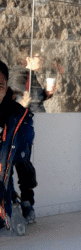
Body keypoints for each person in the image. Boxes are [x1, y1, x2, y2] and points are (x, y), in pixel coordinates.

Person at [0, 59, 37, 234]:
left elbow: (22, 147)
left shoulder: (18, 115)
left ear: (6, 88)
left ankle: (25, 202)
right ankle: (10, 205)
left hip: (16, 150)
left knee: (22, 165)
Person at [8, 45, 55, 113]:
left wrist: (46, 93)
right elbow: (19, 101)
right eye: (39, 56)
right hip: (29, 120)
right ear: (29, 59)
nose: (42, 58)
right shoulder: (19, 75)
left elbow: (33, 98)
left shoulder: (29, 74)